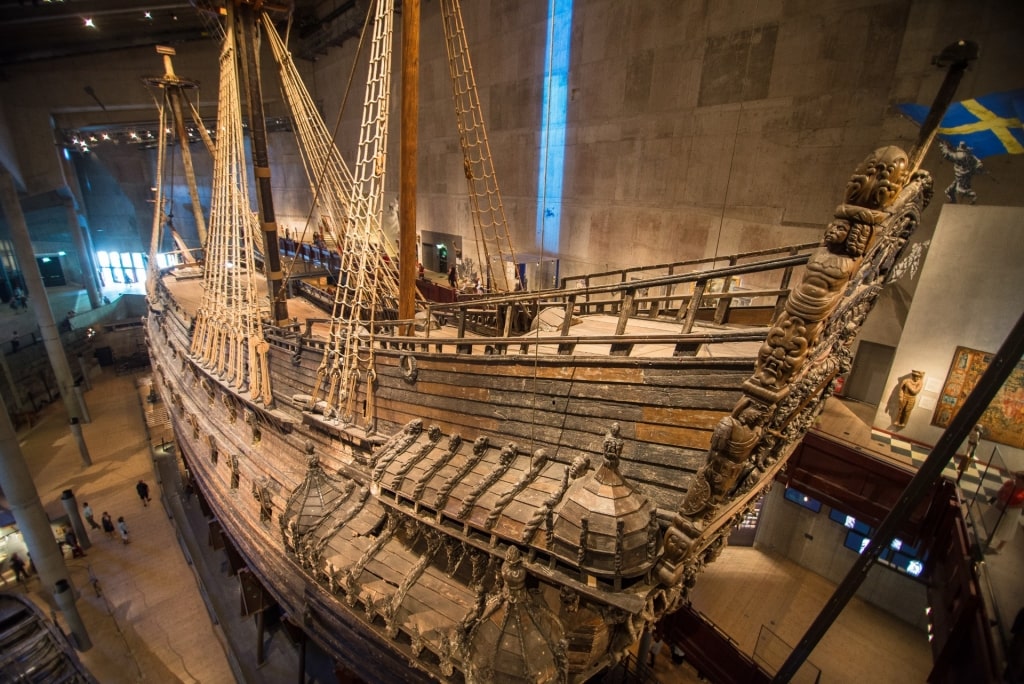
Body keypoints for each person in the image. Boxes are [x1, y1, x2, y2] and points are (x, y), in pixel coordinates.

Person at [987, 471, 1024, 553]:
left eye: (1019, 480)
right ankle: (989, 540)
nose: (1016, 480)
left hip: (1013, 510)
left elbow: (1022, 505)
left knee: (1007, 528)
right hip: (1001, 503)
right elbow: (1000, 491)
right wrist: (1000, 501)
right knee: (994, 522)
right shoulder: (1010, 483)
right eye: (1016, 478)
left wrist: (1008, 507)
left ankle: (1000, 547)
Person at [939, 140, 983, 204]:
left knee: (958, 189)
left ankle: (973, 195)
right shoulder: (970, 156)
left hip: (962, 176)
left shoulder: (959, 155)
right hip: (960, 176)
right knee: (949, 191)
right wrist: (976, 168)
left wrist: (943, 146)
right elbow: (979, 164)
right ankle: (953, 201)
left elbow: (947, 154)